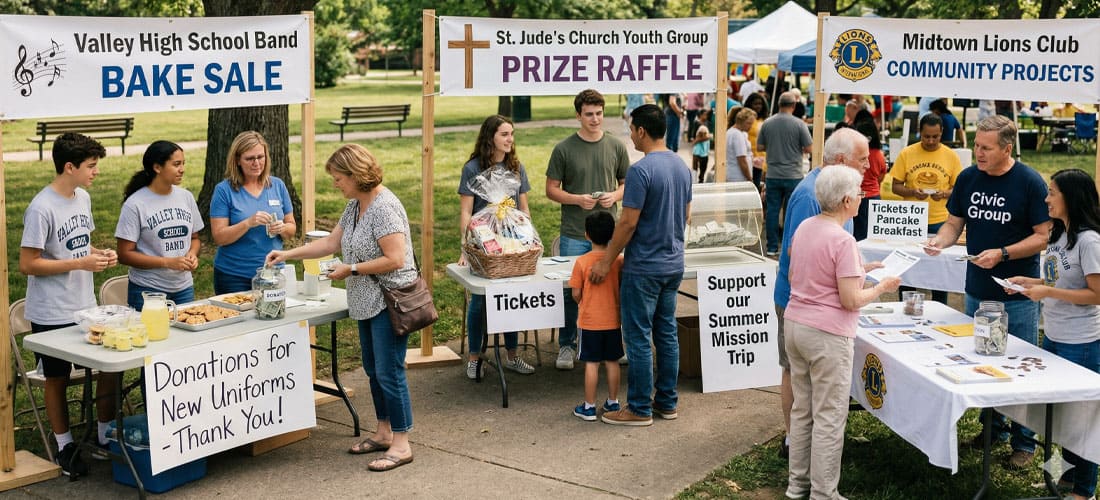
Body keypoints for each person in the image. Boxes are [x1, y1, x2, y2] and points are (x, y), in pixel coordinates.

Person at [266, 143, 417, 471]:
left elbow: (396, 258)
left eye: (338, 178)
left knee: (390, 371)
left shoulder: (384, 206)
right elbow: (331, 243)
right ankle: (384, 431)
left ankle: (402, 443)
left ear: (356, 174)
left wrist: (352, 269)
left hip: (389, 300)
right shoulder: (355, 206)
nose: (335, 183)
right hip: (365, 299)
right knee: (373, 369)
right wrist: (287, 254)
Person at [925, 115, 1051, 469]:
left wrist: (1005, 253)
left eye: (985, 147)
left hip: (1017, 291)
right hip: (977, 289)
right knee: (982, 361)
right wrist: (940, 241)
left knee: (1019, 364)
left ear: (1006, 148)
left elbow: (1044, 235)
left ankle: (1025, 441)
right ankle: (993, 429)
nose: (977, 152)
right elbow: (954, 223)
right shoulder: (968, 178)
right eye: (976, 145)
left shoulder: (1028, 182)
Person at [784, 165, 900, 499]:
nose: (863, 197)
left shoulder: (807, 227)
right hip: (827, 335)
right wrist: (883, 287)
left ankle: (797, 487)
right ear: (847, 199)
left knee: (802, 411)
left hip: (796, 324)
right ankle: (824, 493)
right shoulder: (843, 239)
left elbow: (801, 273)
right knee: (830, 416)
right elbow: (851, 300)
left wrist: (861, 269)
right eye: (860, 192)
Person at [19, 133, 119, 476]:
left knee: (110, 365)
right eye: (91, 166)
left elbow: (79, 246)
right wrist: (79, 264)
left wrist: (98, 254)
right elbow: (28, 263)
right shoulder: (41, 207)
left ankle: (106, 434)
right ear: (69, 167)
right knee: (57, 378)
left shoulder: (83, 198)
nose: (96, 172)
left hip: (84, 304)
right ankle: (64, 446)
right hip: (50, 310)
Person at [773, 128, 873, 460]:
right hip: (803, 305)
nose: (867, 166)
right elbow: (798, 257)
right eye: (862, 159)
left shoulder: (834, 192)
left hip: (820, 306)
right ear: (841, 161)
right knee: (796, 374)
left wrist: (857, 267)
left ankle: (808, 444)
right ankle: (794, 442)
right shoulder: (809, 196)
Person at [590, 103, 692, 426]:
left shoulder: (640, 171)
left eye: (631, 129)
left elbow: (627, 223)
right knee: (666, 335)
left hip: (644, 267)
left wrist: (607, 261)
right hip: (673, 263)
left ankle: (638, 408)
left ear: (642, 131)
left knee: (637, 338)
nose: (630, 135)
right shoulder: (681, 165)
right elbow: (686, 215)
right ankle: (666, 402)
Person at [1005, 168, 1100, 500]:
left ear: (1071, 198)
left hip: (1083, 343)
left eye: (1052, 192)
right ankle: (1058, 480)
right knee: (1057, 417)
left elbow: (1096, 294)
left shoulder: (1090, 242)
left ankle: (1083, 491)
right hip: (1055, 337)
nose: (1046, 198)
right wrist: (1027, 283)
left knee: (1082, 419)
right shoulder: (1058, 235)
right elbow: (1055, 282)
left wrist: (1048, 294)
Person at [546, 89, 630, 370]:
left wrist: (615, 196)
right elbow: (551, 189)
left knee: (614, 290)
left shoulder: (616, 146)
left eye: (599, 113)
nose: (595, 119)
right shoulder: (564, 149)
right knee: (572, 292)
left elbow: (626, 184)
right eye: (589, 114)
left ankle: (615, 345)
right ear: (578, 115)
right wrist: (576, 199)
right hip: (574, 232)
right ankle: (567, 345)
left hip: (609, 234)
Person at [458, 115, 536, 378]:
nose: (510, 139)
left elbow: (523, 208)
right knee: (479, 301)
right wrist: (465, 248)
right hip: (483, 244)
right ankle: (475, 357)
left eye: (511, 134)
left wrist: (528, 238)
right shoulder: (472, 168)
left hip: (511, 244)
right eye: (504, 134)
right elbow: (466, 212)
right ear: (490, 136)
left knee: (510, 299)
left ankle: (512, 354)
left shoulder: (516, 167)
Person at [115, 141, 203, 310]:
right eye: (176, 164)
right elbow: (124, 254)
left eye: (183, 163)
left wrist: (192, 254)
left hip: (184, 288)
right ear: (157, 167)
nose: (182, 169)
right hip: (148, 291)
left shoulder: (186, 197)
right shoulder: (135, 204)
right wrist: (167, 262)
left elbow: (195, 238)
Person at [210, 131, 297, 294]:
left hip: (273, 271)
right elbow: (219, 237)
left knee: (274, 318)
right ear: (237, 160)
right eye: (250, 158)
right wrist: (248, 223)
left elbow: (292, 229)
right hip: (233, 275)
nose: (256, 163)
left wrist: (283, 228)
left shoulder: (277, 185)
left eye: (260, 157)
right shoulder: (224, 190)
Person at [892, 113, 962, 305]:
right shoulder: (907, 153)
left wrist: (945, 194)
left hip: (940, 221)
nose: (931, 141)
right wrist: (913, 191)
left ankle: (939, 307)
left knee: (938, 270)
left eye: (935, 136)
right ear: (919, 133)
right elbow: (895, 186)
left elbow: (959, 188)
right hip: (912, 220)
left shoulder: (951, 156)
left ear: (942, 133)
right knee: (907, 269)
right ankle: (907, 306)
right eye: (926, 136)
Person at [569, 211, 625, 421]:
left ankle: (589, 406)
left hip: (589, 322)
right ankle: (613, 402)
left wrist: (583, 303)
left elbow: (575, 292)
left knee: (591, 363)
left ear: (587, 235)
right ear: (612, 234)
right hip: (613, 321)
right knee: (613, 361)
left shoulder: (581, 262)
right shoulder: (618, 260)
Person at [758, 91, 813, 256]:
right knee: (791, 211)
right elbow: (809, 148)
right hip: (793, 175)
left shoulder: (767, 123)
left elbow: (760, 147)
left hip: (773, 174)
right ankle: (790, 246)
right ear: (794, 106)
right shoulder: (799, 124)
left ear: (778, 105)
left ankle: (772, 247)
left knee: (772, 211)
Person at [853, 116, 887, 241]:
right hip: (874, 195)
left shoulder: (857, 154)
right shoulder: (879, 154)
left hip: (858, 196)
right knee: (873, 234)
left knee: (857, 234)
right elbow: (882, 174)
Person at [744, 93, 770, 190]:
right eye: (755, 104)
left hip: (763, 159)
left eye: (760, 104)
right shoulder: (747, 120)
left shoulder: (765, 120)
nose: (758, 106)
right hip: (750, 158)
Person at [726, 107, 757, 183]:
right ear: (741, 121)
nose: (750, 126)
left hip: (731, 174)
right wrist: (749, 179)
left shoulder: (730, 132)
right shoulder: (738, 135)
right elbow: (742, 160)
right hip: (739, 177)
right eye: (749, 123)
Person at [691, 109, 712, 183]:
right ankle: (694, 181)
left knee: (703, 167)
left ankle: (700, 180)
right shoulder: (698, 123)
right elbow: (698, 137)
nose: (706, 116)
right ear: (700, 115)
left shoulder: (707, 123)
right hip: (698, 149)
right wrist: (708, 137)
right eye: (704, 114)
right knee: (695, 166)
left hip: (704, 149)